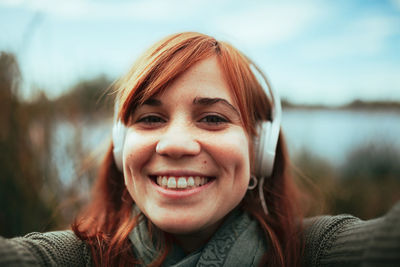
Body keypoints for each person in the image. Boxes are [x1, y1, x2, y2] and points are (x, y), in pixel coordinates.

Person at [0, 32, 399, 267]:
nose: (174, 144)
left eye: (213, 119)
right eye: (150, 118)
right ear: (122, 149)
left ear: (259, 148)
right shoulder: (76, 258)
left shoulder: (311, 252)